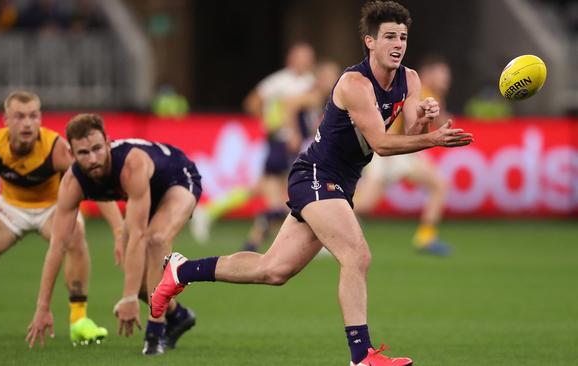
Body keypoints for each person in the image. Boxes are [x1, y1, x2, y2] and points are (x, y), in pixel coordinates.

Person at [151, 2, 473, 365]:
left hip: (339, 183)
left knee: (272, 270)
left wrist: (427, 122)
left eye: (402, 37)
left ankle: (181, 269)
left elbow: (411, 131)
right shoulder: (355, 83)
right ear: (370, 41)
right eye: (389, 37)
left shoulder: (410, 79)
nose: (397, 44)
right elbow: (382, 145)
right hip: (316, 176)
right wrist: (433, 140)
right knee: (357, 255)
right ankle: (362, 356)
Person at [0, 91, 120, 346]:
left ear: (40, 119)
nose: (28, 123)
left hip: (53, 208)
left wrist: (119, 230)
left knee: (75, 235)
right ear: (5, 120)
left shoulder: (57, 150)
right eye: (19, 116)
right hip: (9, 209)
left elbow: (94, 187)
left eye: (33, 116)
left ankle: (79, 321)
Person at [25, 114, 201, 355]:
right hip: (142, 196)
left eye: (98, 148)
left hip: (178, 180)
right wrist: (42, 307)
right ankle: (178, 315)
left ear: (108, 143)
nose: (93, 158)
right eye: (84, 153)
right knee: (140, 285)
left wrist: (127, 298)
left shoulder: (131, 165)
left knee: (156, 239)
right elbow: (57, 246)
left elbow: (139, 235)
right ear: (72, 154)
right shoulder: (71, 183)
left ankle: (154, 334)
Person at [190, 42, 316, 248]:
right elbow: (252, 102)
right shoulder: (279, 81)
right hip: (281, 142)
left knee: (269, 188)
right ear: (291, 59)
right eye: (302, 57)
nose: (306, 62)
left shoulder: (310, 81)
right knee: (289, 188)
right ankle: (289, 236)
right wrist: (271, 123)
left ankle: (219, 216)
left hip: (298, 144)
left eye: (309, 58)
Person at [353, 55, 454, 256]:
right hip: (392, 152)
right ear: (428, 74)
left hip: (402, 153)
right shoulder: (422, 91)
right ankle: (314, 216)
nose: (446, 80)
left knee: (438, 185)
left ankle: (426, 237)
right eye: (442, 74)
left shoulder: (428, 92)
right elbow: (437, 125)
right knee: (362, 205)